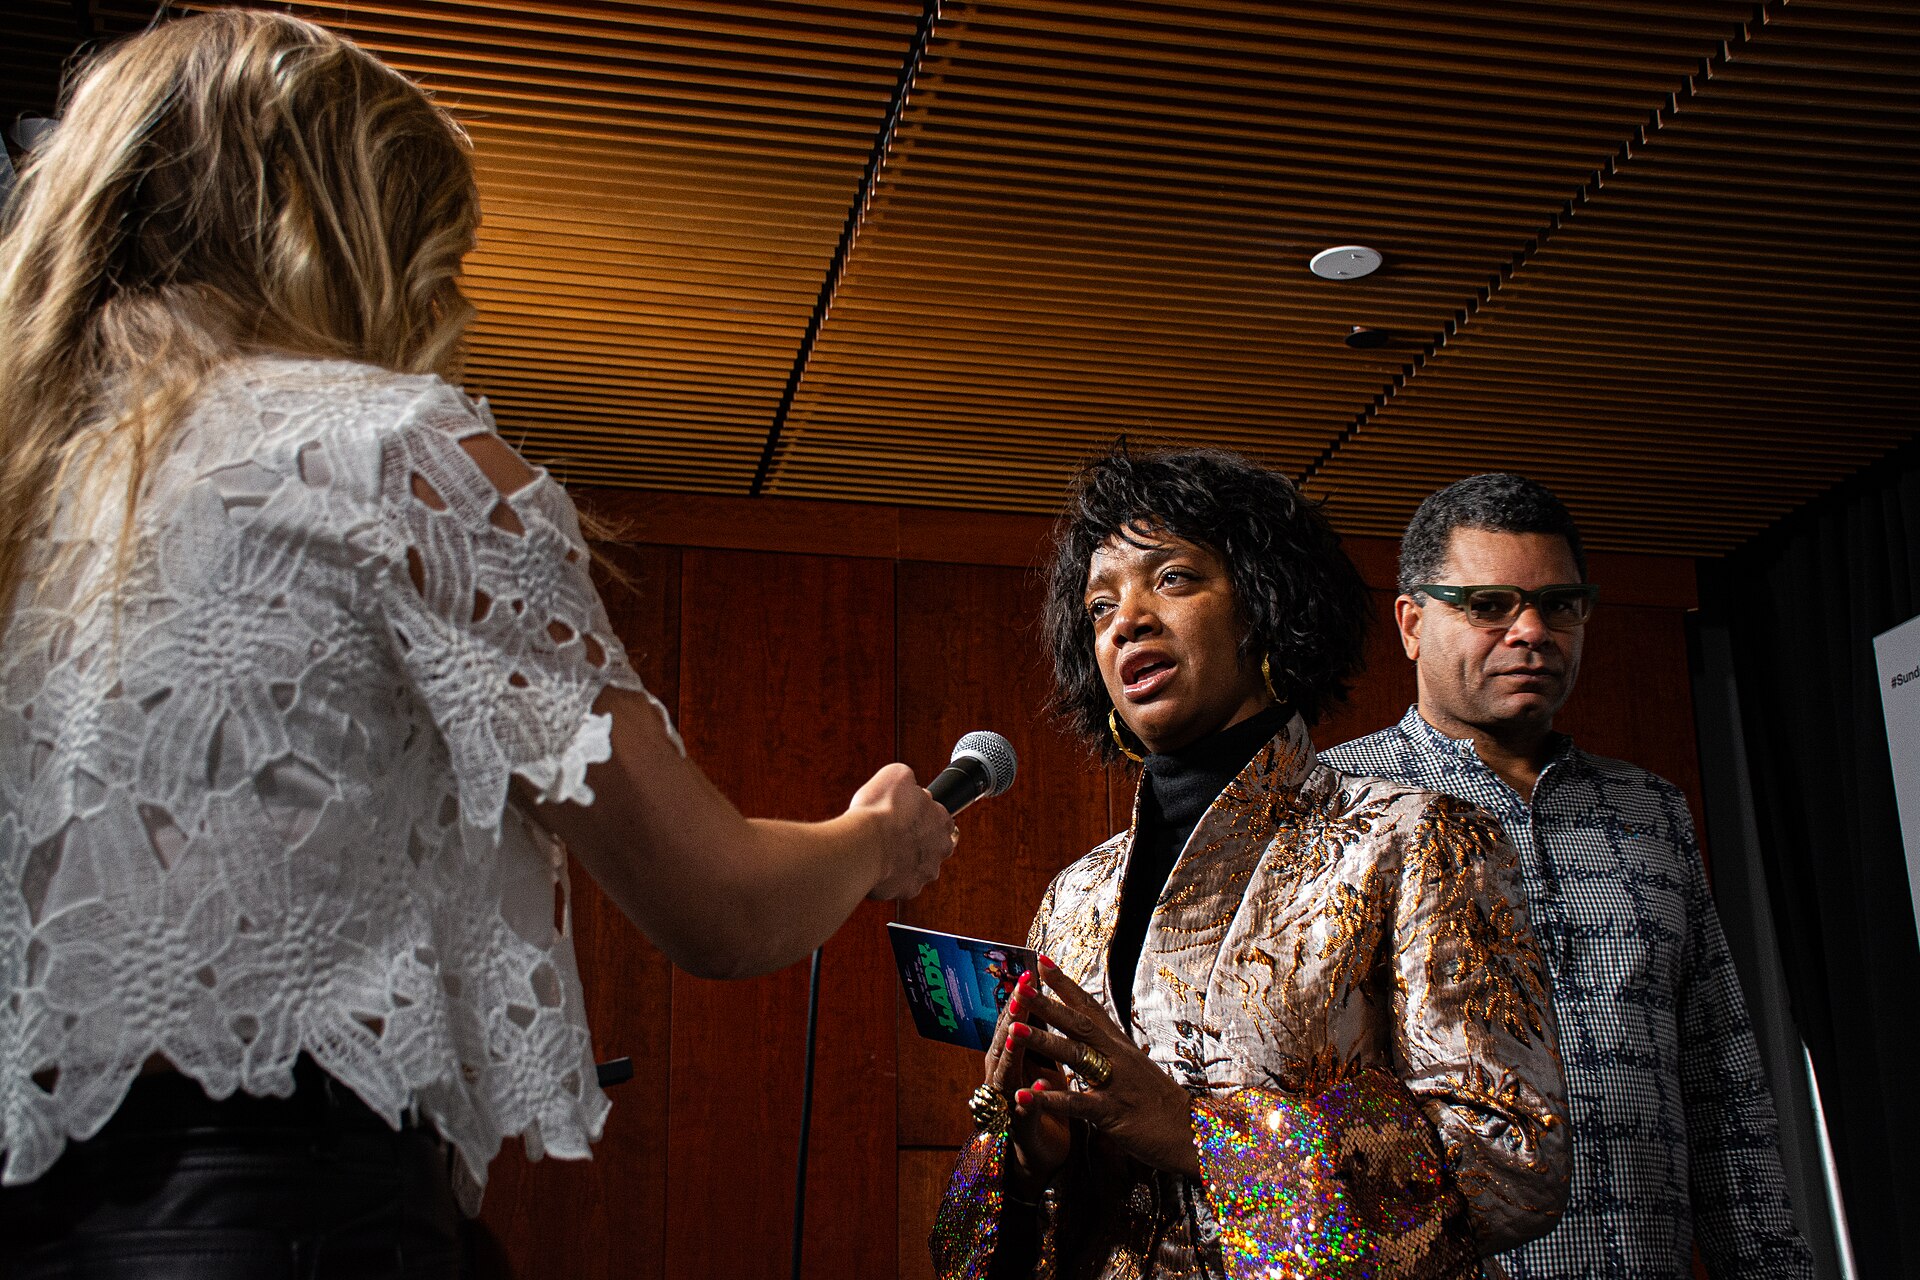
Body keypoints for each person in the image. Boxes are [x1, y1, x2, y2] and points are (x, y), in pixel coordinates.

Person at [0, 11, 954, 1276]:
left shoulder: (29, 480)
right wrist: (876, 840)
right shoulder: (385, 451)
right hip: (281, 1222)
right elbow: (717, 902)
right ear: (347, 238)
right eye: (436, 256)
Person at [932, 447, 1570, 1279]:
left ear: (1266, 606)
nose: (1126, 620)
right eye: (1099, 606)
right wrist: (1027, 1167)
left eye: (1173, 579)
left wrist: (1196, 1133)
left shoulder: (1417, 840)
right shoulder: (1075, 896)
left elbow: (1510, 1164)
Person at [1322, 474, 1813, 1280]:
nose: (1532, 632)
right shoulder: (1333, 805)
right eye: (1489, 605)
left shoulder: (1651, 809)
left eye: (1560, 605)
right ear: (1411, 623)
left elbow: (1718, 1073)